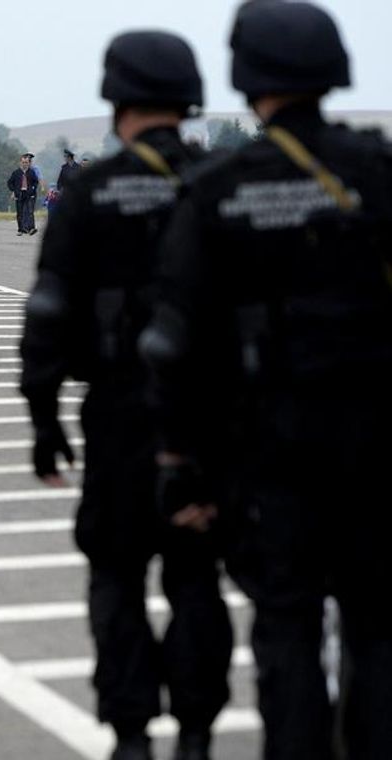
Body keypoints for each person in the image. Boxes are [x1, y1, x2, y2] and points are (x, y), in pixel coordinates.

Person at [140, 4, 392, 759]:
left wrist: (182, 464)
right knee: (379, 628)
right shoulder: (378, 173)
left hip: (268, 451)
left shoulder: (219, 188)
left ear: (248, 75)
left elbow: (174, 344)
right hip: (378, 447)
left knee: (286, 625)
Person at [20, 30, 231, 760]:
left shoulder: (91, 192)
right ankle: (199, 734)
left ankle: (132, 734)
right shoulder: (217, 182)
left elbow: (48, 312)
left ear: (117, 100)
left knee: (116, 572)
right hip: (206, 419)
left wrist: (43, 418)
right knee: (196, 573)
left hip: (115, 411)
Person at [8, 153, 40, 235]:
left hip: (28, 194)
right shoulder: (16, 173)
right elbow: (10, 183)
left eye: (26, 162)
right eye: (23, 162)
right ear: (20, 163)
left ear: (28, 163)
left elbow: (36, 182)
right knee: (20, 212)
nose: (25, 164)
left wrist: (32, 189)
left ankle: (31, 228)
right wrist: (14, 190)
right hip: (19, 194)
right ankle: (21, 229)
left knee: (29, 211)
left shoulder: (31, 172)